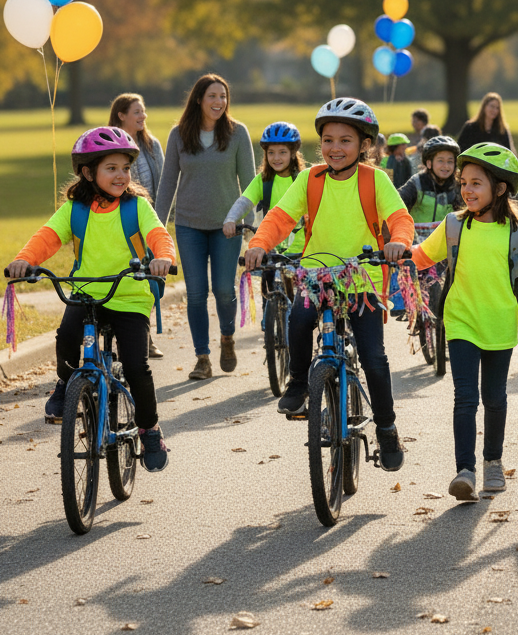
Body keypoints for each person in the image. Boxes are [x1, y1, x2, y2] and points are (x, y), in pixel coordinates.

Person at [245, 98, 413, 471]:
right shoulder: (310, 179)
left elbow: (399, 217)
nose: (335, 148)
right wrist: (259, 244)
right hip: (317, 275)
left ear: (364, 145)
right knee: (299, 318)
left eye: (346, 141)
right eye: (328, 140)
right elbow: (279, 218)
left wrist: (399, 240)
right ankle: (299, 383)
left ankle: (386, 428)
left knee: (374, 358)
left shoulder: (375, 179)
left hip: (362, 279)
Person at [7, 127, 174, 472]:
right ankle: (67, 383)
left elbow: (158, 234)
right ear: (88, 172)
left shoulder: (136, 206)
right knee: (66, 337)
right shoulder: (76, 210)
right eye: (111, 168)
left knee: (136, 366)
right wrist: (26, 259)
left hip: (129, 295)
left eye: (125, 168)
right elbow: (47, 237)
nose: (121, 175)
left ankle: (150, 428)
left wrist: (163, 258)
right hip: (87, 292)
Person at [411, 143, 518, 501]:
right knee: (465, 398)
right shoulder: (453, 226)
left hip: (500, 325)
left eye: (476, 183)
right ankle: (465, 471)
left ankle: (493, 461)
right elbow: (419, 257)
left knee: (494, 398)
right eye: (464, 182)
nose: (466, 190)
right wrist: (394, 251)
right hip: (461, 321)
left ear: (501, 188)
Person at [155, 75, 255, 381]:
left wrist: (250, 226)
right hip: (188, 225)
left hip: (227, 227)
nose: (219, 102)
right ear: (199, 99)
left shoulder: (238, 134)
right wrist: (157, 229)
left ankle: (227, 337)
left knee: (224, 290)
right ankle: (202, 357)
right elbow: (168, 183)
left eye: (223, 96)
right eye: (212, 96)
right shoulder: (179, 134)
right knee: (196, 293)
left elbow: (251, 182)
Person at [109, 93, 165, 359]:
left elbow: (163, 184)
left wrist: (159, 218)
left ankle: (144, 334)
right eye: (136, 112)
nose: (142, 116)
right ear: (121, 115)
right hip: (119, 221)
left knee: (148, 280)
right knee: (122, 276)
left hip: (147, 219)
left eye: (143, 112)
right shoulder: (109, 144)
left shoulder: (152, 144)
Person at [223, 122, 306, 254]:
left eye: (282, 152)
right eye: (271, 152)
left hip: (302, 252)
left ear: (292, 153)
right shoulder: (263, 181)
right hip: (269, 251)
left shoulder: (303, 179)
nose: (276, 158)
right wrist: (231, 219)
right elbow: (244, 202)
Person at [399, 135, 462, 222]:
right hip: (418, 235)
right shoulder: (417, 183)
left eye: (450, 161)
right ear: (429, 163)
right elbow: (398, 202)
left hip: (446, 235)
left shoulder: (457, 186)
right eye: (440, 160)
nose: (446, 166)